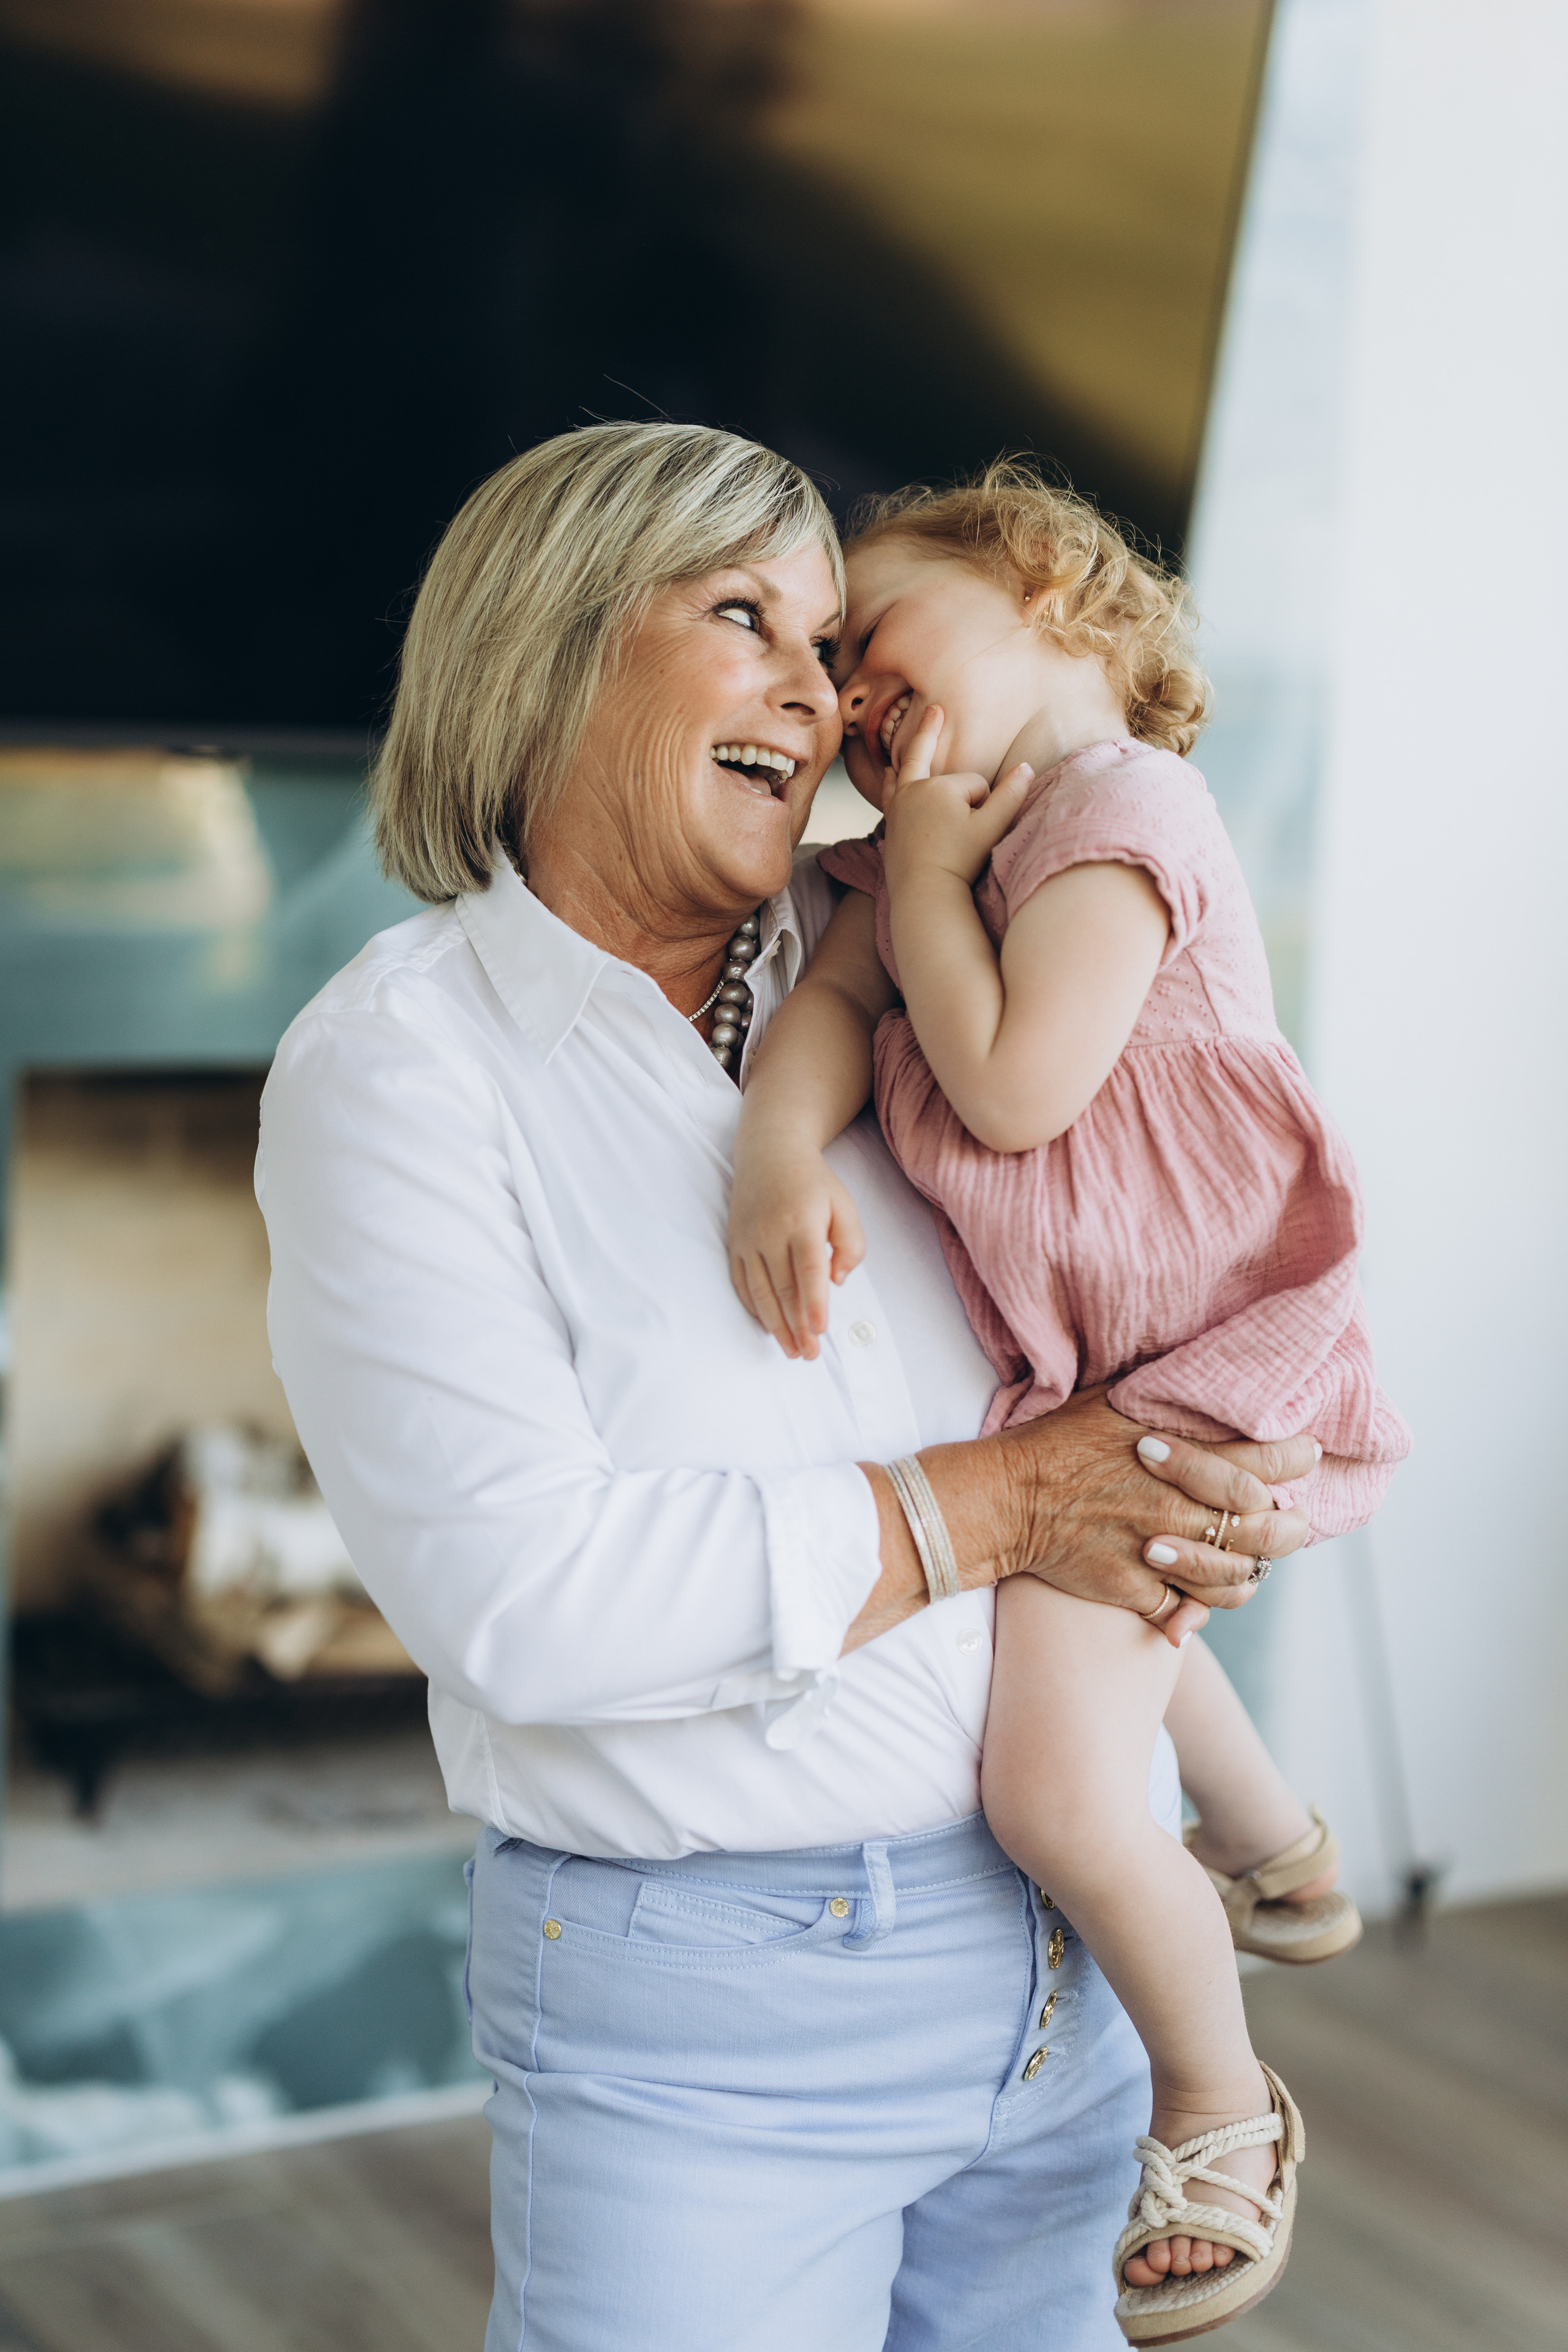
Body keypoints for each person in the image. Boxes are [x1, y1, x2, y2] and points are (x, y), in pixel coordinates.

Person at [257, 421, 1321, 2352]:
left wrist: (1180, 1490)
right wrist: (1008, 1506)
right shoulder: (405, 1073)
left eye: (834, 646)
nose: (825, 695)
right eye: (746, 616)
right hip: (713, 2040)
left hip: (1073, 1972)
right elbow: (528, 1603)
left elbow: (1114, 1277)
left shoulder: (916, 954)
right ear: (552, 646)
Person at [726, 460, 1410, 2342]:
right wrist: (776, 1159)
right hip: (1093, 1369)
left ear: (1046, 588)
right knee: (1095, 1603)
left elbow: (1017, 1084)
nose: (848, 690)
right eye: (825, 673)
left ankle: (1217, 2101)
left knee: (1048, 1783)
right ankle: (1279, 1849)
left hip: (1216, 1353)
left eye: (870, 635)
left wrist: (937, 875)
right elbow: (827, 1016)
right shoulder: (909, 853)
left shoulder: (1124, 813)